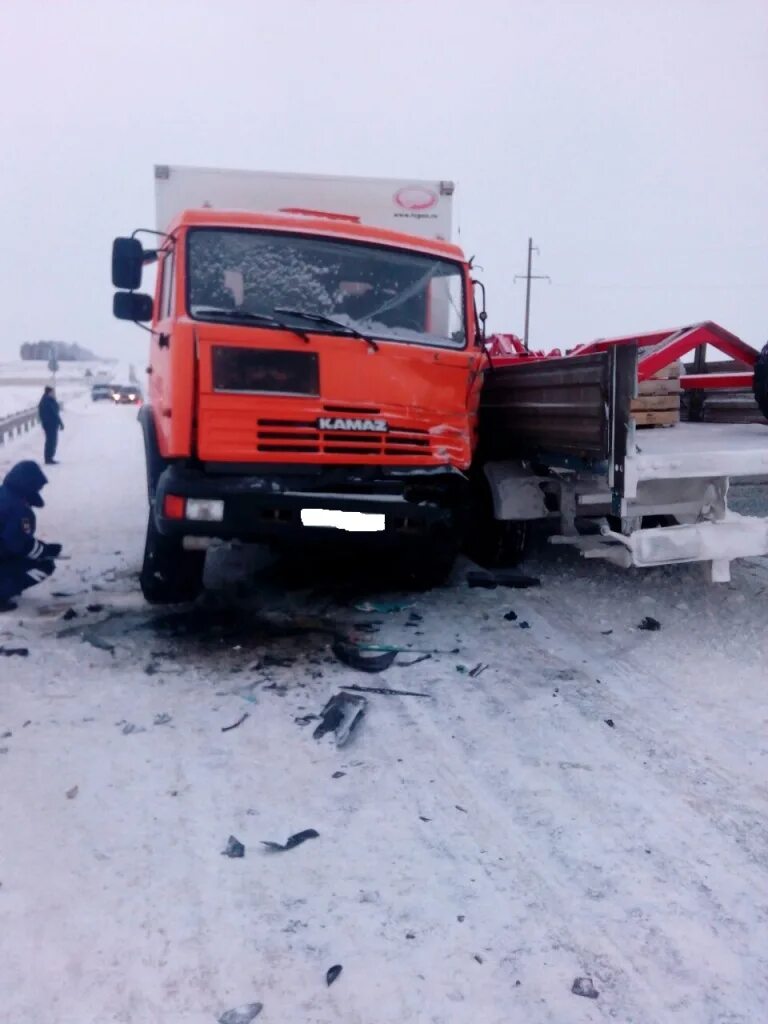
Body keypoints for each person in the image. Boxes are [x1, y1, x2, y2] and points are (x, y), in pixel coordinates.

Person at [0, 461, 61, 612]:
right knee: (44, 566)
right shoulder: (19, 509)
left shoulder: (4, 494)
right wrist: (46, 551)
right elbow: (17, 543)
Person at [38, 386, 64, 465]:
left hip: (50, 424)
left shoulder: (47, 400)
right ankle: (48, 459)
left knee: (51, 441)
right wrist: (60, 423)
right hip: (50, 424)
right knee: (51, 441)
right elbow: (54, 413)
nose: (54, 393)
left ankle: (49, 458)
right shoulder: (47, 401)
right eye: (52, 392)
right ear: (49, 392)